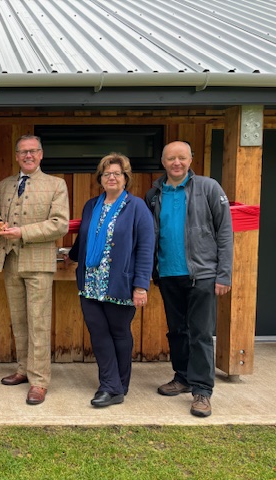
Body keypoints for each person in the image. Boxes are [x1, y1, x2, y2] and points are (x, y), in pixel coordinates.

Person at [146, 140, 233, 418]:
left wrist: (224, 273)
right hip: (168, 274)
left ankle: (202, 391)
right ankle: (182, 377)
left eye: (182, 158)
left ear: (191, 159)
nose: (177, 163)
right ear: (163, 161)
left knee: (201, 334)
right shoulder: (154, 194)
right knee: (177, 331)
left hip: (203, 275)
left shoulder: (208, 188)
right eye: (171, 158)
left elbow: (225, 232)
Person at [66, 153, 154, 407]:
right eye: (107, 174)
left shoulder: (137, 207)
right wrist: (71, 257)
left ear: (126, 178)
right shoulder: (91, 205)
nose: (112, 177)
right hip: (91, 283)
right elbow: (84, 238)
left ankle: (117, 385)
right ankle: (111, 385)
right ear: (100, 179)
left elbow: (146, 248)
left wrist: (141, 285)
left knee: (119, 333)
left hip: (120, 283)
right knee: (98, 333)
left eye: (117, 173)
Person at [0, 134, 69, 405]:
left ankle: (39, 380)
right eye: (23, 152)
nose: (28, 156)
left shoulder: (56, 185)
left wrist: (22, 231)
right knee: (20, 320)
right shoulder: (6, 184)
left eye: (33, 151)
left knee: (39, 322)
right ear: (16, 156)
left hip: (38, 262)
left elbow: (59, 224)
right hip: (10, 260)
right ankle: (23, 370)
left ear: (41, 154)